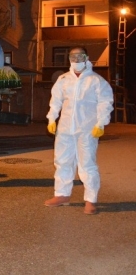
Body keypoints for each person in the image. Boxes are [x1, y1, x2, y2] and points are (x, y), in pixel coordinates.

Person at [45, 46, 113, 215]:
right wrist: (52, 119)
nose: (76, 60)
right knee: (62, 161)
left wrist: (100, 123)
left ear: (87, 58)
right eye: (73, 57)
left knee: (87, 164)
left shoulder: (96, 80)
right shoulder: (63, 79)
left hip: (87, 129)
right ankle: (62, 194)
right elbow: (56, 100)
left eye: (80, 56)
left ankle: (91, 199)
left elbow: (105, 103)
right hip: (65, 128)